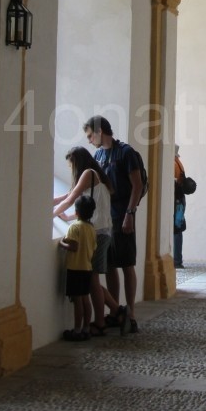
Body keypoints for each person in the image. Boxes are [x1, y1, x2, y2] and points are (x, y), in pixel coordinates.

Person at [53, 146, 123, 337]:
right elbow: (69, 195)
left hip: (98, 231)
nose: (71, 169)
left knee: (91, 278)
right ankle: (117, 311)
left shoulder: (88, 173)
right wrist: (55, 205)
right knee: (89, 279)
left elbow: (72, 198)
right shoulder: (95, 173)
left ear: (78, 161)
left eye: (71, 165)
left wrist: (52, 213)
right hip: (101, 231)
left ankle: (100, 323)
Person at [85, 115, 142, 334]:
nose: (90, 140)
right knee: (109, 265)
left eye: (91, 135)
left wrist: (130, 213)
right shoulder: (98, 155)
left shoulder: (125, 153)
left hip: (122, 214)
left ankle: (132, 313)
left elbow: (136, 185)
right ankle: (116, 312)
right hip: (104, 218)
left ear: (100, 132)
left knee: (127, 264)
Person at [57, 194, 97, 342]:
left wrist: (61, 244)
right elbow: (93, 248)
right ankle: (86, 328)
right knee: (86, 298)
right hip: (87, 267)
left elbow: (73, 246)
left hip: (75, 268)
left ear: (76, 212)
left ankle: (77, 329)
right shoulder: (92, 228)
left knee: (77, 300)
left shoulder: (74, 227)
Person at [173, 146, 187, 269]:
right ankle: (177, 259)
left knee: (176, 230)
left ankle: (177, 260)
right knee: (178, 228)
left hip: (175, 200)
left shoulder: (173, 164)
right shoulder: (179, 163)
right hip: (180, 199)